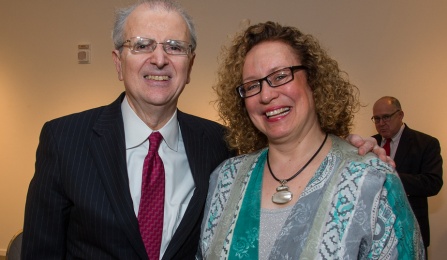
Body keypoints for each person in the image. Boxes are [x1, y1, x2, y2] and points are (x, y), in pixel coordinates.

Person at [21, 1, 386, 259]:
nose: (159, 59)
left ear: (190, 65)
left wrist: (351, 148)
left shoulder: (222, 146)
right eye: (142, 45)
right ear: (119, 62)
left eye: (175, 47)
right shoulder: (64, 139)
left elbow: (292, 139)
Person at [197, 21, 424, 259]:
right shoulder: (225, 179)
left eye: (281, 76)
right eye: (252, 85)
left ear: (313, 81)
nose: (266, 95)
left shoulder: (371, 179)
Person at [372, 96, 443, 258]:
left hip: (411, 230)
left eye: (386, 117)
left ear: (400, 115)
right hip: (376, 234)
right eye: (376, 118)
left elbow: (433, 183)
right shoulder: (370, 144)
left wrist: (390, 176)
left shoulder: (426, 143)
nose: (381, 123)